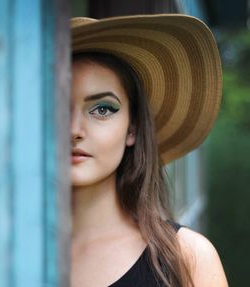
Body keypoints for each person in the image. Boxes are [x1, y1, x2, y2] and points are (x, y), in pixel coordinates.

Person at [70, 14, 228, 287]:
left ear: (132, 129)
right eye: (55, 107)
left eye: (102, 109)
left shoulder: (187, 258)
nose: (74, 129)